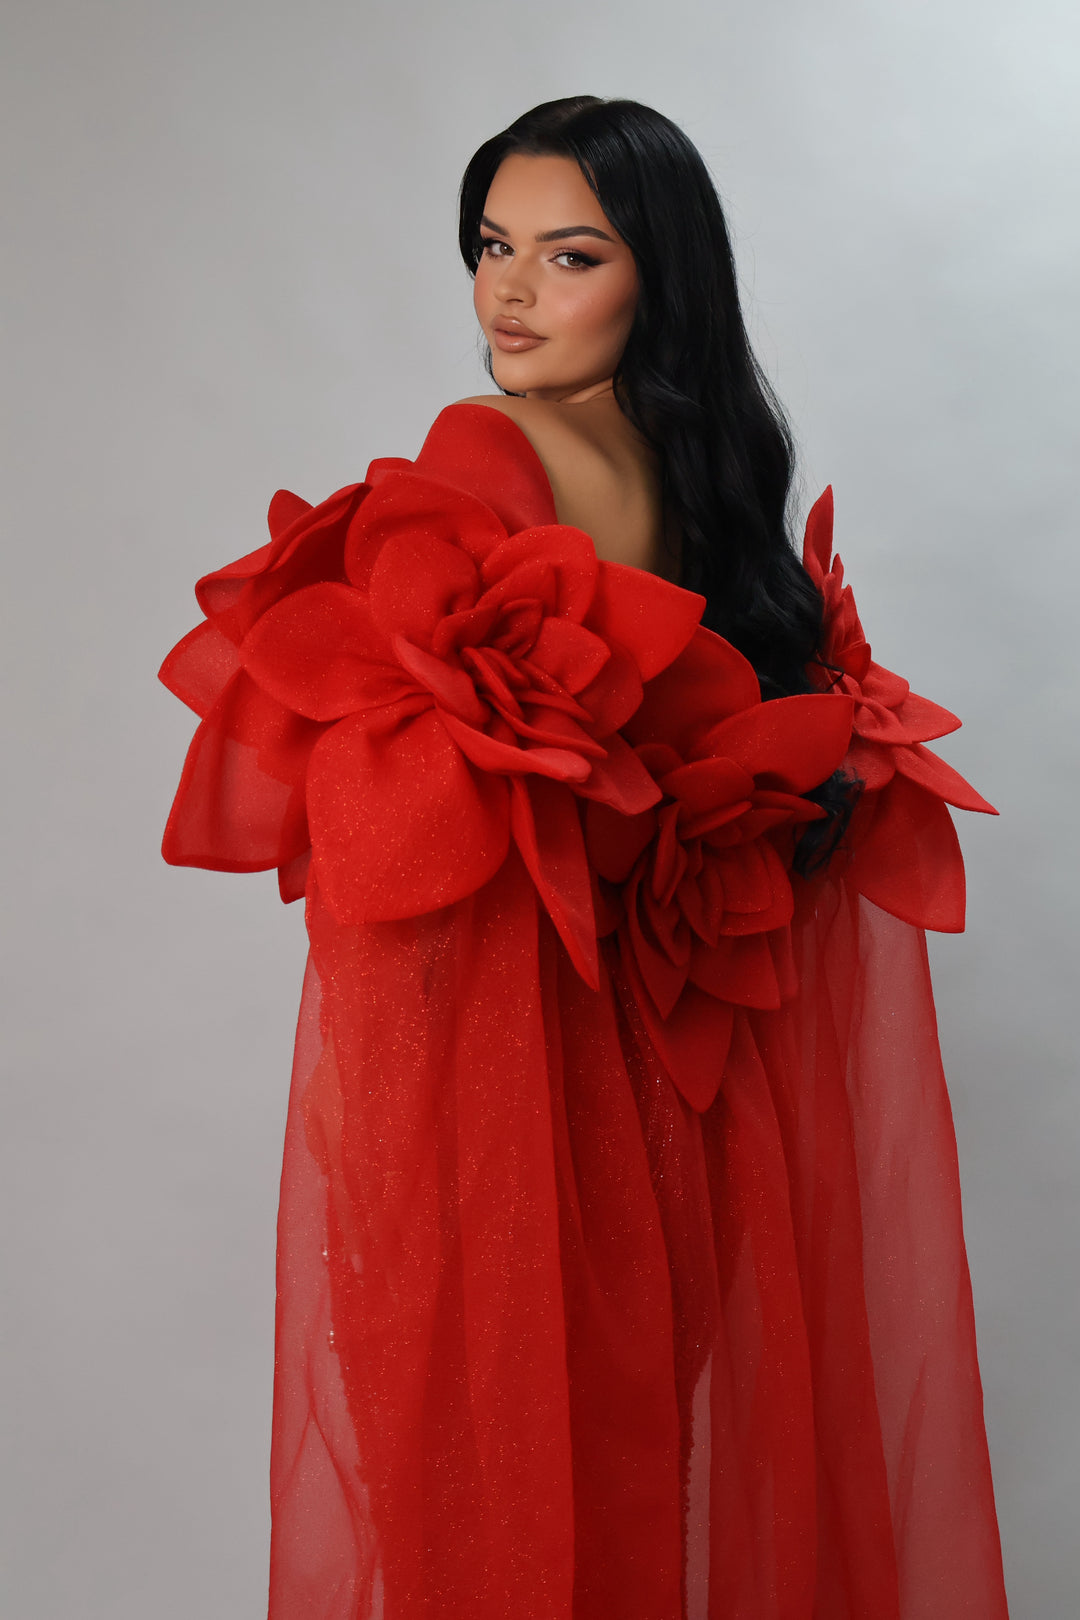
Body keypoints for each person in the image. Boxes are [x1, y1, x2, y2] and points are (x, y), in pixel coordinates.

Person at [159, 96, 1011, 1620]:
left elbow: (403, 830)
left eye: (568, 255)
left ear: (655, 278)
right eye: (493, 246)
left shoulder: (491, 446)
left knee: (486, 1506)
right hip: (684, 1104)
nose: (506, 291)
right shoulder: (714, 498)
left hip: (520, 1095)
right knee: (641, 1488)